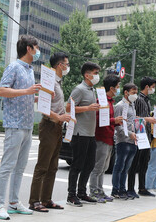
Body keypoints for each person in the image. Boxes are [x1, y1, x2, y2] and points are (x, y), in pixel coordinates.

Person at [0, 35, 42, 219]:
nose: (38, 51)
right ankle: (0, 205)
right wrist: (27, 91)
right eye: (37, 47)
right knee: (7, 166)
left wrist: (38, 98)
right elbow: (2, 90)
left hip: (27, 125)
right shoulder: (14, 67)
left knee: (20, 167)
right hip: (14, 124)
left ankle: (14, 202)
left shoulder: (29, 70)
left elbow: (24, 95)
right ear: (29, 48)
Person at [29, 52, 72, 211]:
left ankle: (46, 199)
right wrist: (58, 117)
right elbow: (43, 108)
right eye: (67, 64)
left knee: (53, 166)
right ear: (60, 65)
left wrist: (64, 117)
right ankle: (34, 201)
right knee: (43, 165)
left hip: (57, 127)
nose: (68, 67)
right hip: (49, 125)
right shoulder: (49, 82)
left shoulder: (58, 82)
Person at [67, 62, 102, 206]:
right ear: (87, 75)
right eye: (95, 73)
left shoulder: (92, 90)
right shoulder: (79, 89)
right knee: (77, 165)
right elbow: (68, 107)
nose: (97, 76)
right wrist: (88, 108)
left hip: (90, 134)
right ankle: (71, 195)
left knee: (89, 164)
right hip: (79, 133)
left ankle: (82, 192)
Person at [89, 74, 123, 202]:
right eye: (117, 87)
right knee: (98, 167)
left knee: (103, 168)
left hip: (109, 137)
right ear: (112, 88)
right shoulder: (101, 102)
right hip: (101, 138)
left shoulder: (110, 102)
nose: (118, 89)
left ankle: (100, 191)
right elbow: (99, 120)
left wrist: (116, 122)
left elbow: (108, 120)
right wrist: (114, 120)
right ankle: (93, 192)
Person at [129, 76, 156, 197]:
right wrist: (148, 119)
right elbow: (134, 117)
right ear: (147, 86)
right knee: (135, 163)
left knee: (144, 163)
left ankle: (142, 187)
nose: (153, 89)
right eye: (153, 87)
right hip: (139, 135)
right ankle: (130, 188)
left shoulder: (147, 100)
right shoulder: (138, 100)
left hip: (146, 135)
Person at [111, 83, 138, 200]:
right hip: (123, 140)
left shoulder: (132, 105)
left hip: (133, 141)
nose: (135, 95)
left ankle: (123, 189)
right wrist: (128, 134)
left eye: (136, 93)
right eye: (133, 92)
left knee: (126, 168)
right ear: (126, 92)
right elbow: (118, 125)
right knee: (119, 166)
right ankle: (115, 190)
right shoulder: (120, 106)